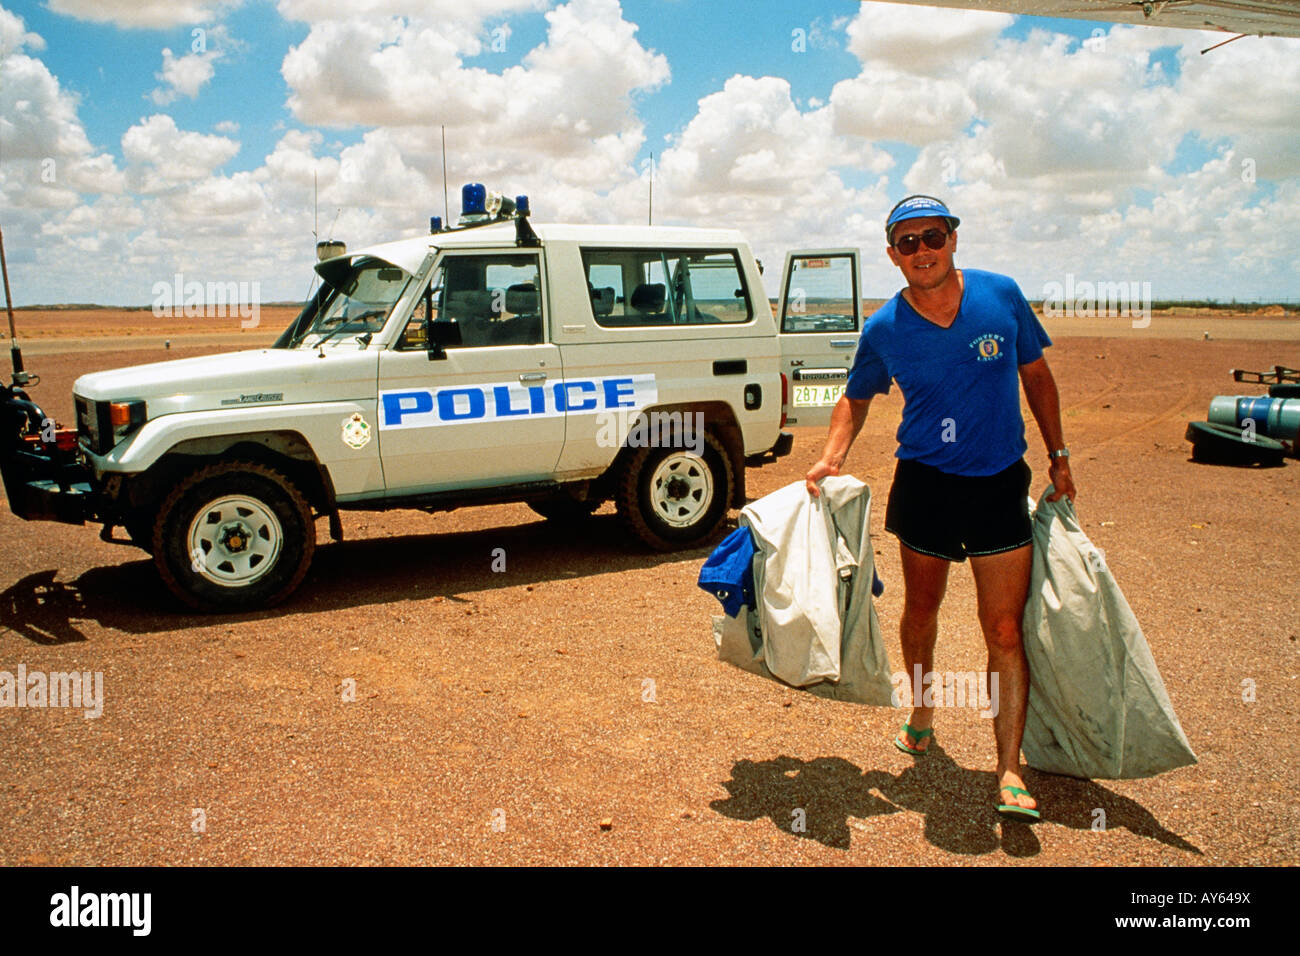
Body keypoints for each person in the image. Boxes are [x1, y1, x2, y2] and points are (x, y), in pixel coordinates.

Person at [804, 195, 1076, 822]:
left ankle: (1008, 767)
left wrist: (1059, 456)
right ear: (893, 254)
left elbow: (1036, 375)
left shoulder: (1001, 295)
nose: (922, 250)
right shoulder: (884, 328)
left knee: (1002, 629)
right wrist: (831, 458)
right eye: (908, 243)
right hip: (925, 485)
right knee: (921, 612)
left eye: (932, 237)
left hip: (998, 483)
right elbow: (855, 397)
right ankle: (922, 712)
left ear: (953, 239)